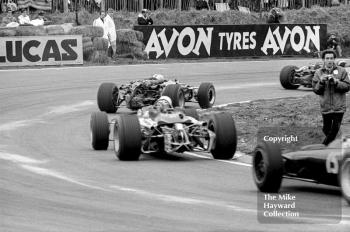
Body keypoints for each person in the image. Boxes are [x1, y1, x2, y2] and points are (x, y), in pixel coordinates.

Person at [312, 49, 350, 145]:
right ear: (323, 60)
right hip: (326, 107)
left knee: (334, 130)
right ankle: (340, 144)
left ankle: (323, 147)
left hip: (339, 107)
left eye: (331, 58)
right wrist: (321, 82)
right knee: (326, 129)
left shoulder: (342, 71)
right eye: (327, 58)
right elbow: (316, 90)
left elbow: (347, 87)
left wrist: (337, 82)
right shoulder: (318, 72)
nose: (329, 60)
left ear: (334, 59)